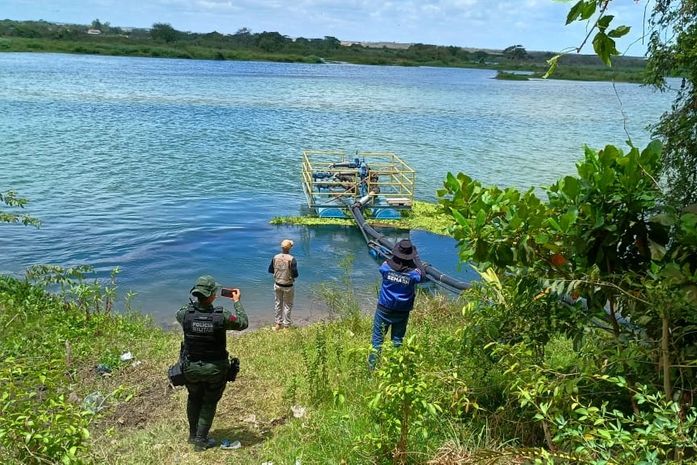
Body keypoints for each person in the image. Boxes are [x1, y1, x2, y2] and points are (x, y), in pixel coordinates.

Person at [176, 275, 248, 451]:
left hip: (191, 367)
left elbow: (182, 315)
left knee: (193, 398)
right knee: (209, 402)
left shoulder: (184, 313)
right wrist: (237, 302)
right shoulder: (221, 316)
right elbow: (243, 323)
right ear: (212, 296)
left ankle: (193, 435)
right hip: (215, 369)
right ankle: (201, 440)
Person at [368, 239, 422, 369]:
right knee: (397, 341)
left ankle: (372, 370)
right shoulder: (413, 274)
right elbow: (421, 275)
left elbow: (384, 265)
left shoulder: (386, 267)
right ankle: (394, 369)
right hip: (402, 312)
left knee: (377, 341)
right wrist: (417, 261)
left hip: (383, 309)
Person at [268, 239, 299, 330]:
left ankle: (278, 324)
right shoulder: (292, 259)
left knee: (278, 304)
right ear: (290, 248)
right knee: (287, 305)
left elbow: (270, 270)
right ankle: (286, 326)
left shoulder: (275, 257)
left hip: (277, 284)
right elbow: (295, 274)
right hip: (288, 286)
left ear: (281, 247)